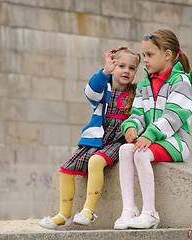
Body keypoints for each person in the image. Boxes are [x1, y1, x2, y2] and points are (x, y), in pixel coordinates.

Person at [39, 47, 141, 230]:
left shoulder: (135, 93)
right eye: (121, 66)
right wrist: (105, 72)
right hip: (97, 138)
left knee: (95, 162)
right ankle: (64, 214)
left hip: (118, 141)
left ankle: (88, 211)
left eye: (132, 68)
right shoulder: (103, 88)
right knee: (66, 169)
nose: (126, 71)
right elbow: (90, 92)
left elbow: (140, 115)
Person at [114, 28, 192, 230]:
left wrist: (150, 134)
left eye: (150, 55)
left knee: (141, 154)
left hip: (175, 141)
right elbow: (138, 114)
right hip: (155, 140)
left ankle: (150, 212)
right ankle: (129, 210)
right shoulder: (144, 84)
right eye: (144, 56)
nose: (146, 60)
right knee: (125, 150)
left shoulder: (180, 81)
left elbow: (175, 115)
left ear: (167, 55)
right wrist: (131, 127)